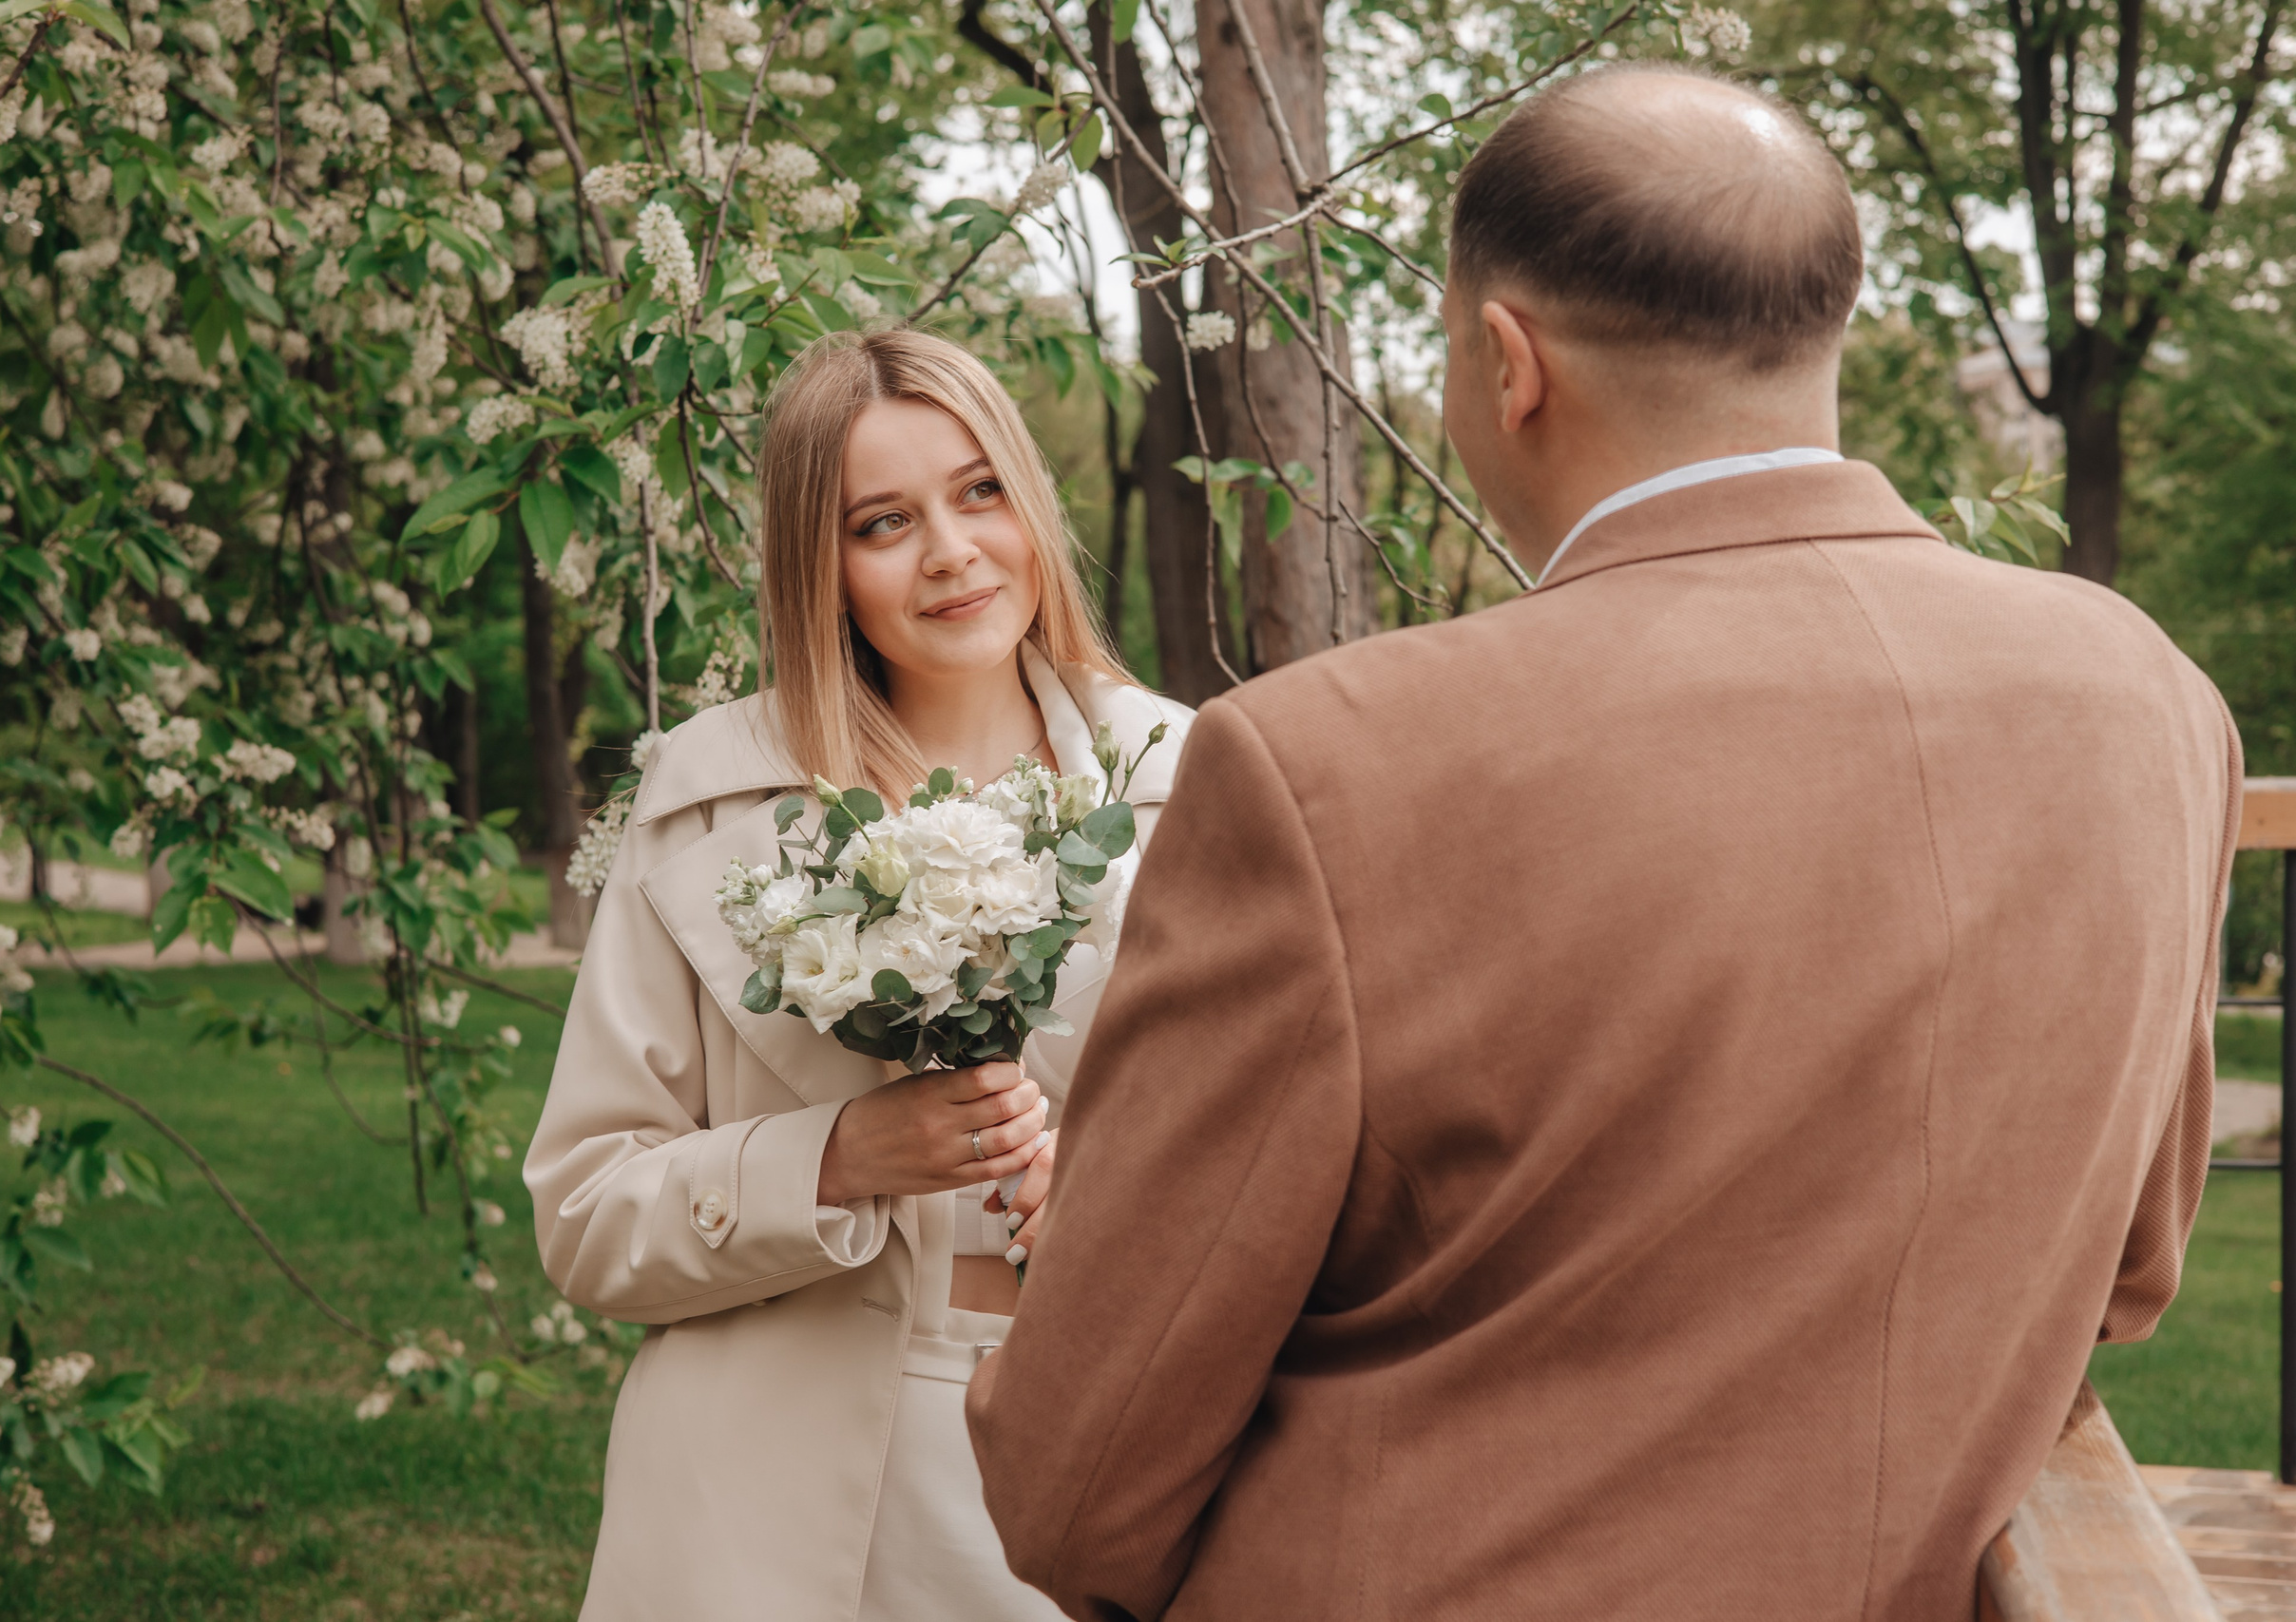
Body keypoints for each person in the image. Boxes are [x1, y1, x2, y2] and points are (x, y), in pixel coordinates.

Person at [966, 64, 2240, 1622]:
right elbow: (2130, 1272)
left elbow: (1079, 1470)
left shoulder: (1327, 765)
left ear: (1507, 361)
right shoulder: (2154, 702)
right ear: (1820, 322)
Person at [524, 328, 1193, 1621]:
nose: (950, 549)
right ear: (818, 567)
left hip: (1094, 1468)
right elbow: (588, 1218)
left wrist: (1115, 1206)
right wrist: (836, 1158)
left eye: (980, 490)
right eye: (884, 522)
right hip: (760, 1502)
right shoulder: (710, 800)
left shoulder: (1193, 783)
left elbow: (1290, 1181)